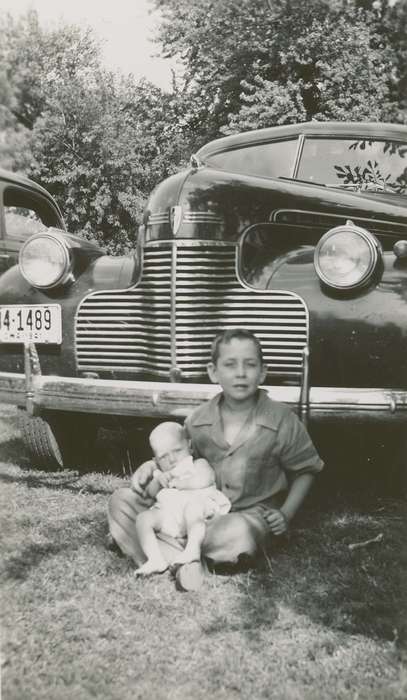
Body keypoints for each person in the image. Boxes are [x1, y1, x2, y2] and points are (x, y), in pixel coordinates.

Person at [107, 328, 324, 587]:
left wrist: (286, 514)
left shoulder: (281, 420)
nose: (240, 373)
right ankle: (188, 559)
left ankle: (162, 550)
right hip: (192, 512)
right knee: (121, 500)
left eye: (250, 365)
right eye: (230, 365)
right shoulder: (198, 420)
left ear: (263, 372)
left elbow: (306, 470)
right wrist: (150, 465)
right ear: (213, 372)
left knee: (237, 534)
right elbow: (180, 457)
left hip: (246, 516)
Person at [133, 421, 231, 576]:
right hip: (171, 515)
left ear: (189, 446)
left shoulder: (197, 463)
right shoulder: (161, 473)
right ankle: (155, 559)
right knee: (143, 519)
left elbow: (205, 479)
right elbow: (149, 494)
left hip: (200, 511)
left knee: (193, 508)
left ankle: (193, 550)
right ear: (156, 460)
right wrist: (158, 481)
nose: (172, 459)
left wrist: (178, 483)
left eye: (177, 450)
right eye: (164, 457)